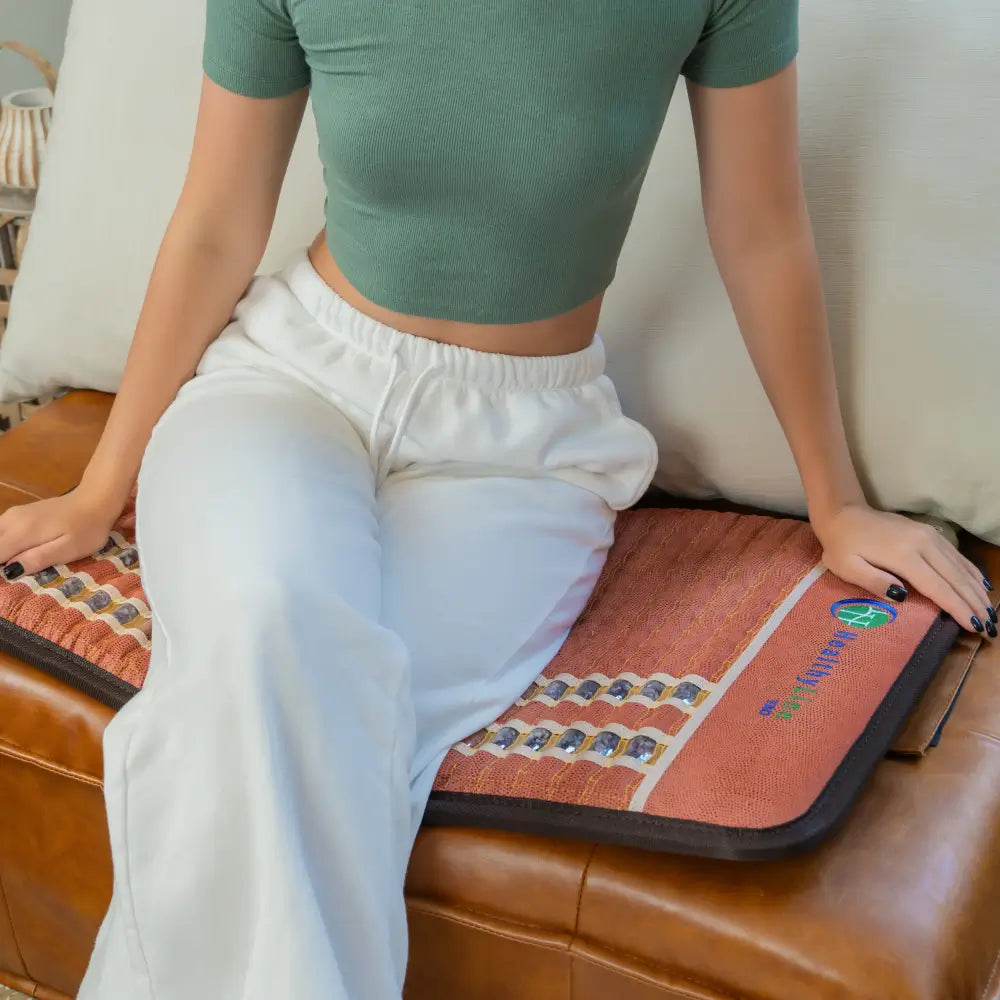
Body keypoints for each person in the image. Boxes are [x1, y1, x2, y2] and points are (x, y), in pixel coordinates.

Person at [0, 0, 995, 996]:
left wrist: (837, 504)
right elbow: (216, 223)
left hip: (525, 451)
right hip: (289, 382)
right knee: (266, 631)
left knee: (327, 727)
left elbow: (761, 229)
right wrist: (100, 490)